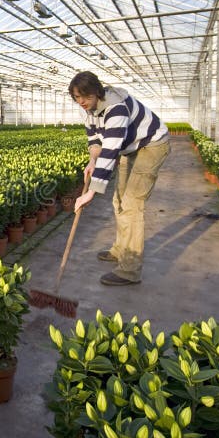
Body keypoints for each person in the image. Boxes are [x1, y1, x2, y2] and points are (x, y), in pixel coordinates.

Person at [69, 71, 170, 286]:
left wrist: (90, 193)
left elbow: (110, 150)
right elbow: (95, 141)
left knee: (132, 204)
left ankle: (129, 270)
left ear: (97, 91)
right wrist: (91, 161)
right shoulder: (88, 110)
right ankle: (120, 250)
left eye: (85, 96)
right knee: (119, 200)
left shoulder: (116, 109)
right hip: (131, 148)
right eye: (77, 97)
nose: (81, 102)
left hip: (152, 145)